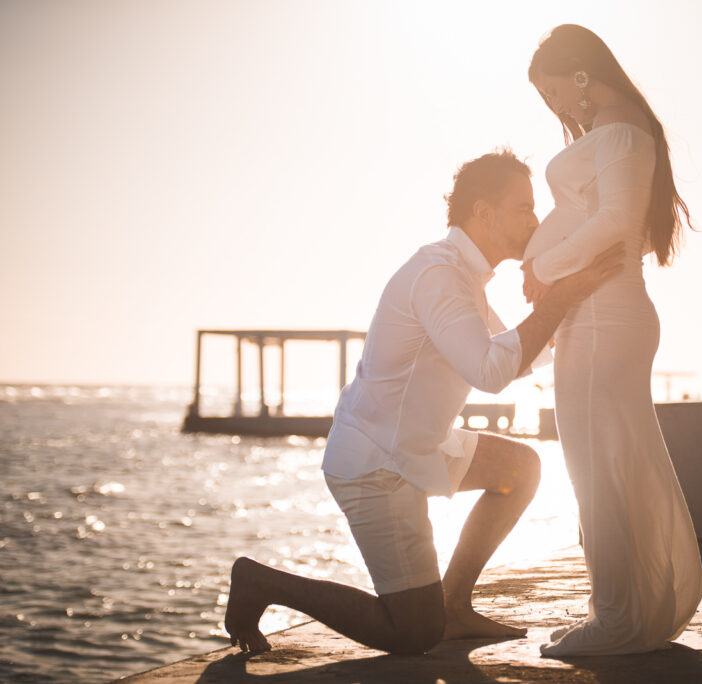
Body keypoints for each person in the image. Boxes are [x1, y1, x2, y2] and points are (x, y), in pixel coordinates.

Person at [224, 149, 624, 655]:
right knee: (413, 633)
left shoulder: (464, 276)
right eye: (523, 207)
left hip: (416, 445)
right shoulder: (440, 276)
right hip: (373, 463)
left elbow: (515, 355)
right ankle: (261, 583)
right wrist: (564, 297)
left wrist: (580, 305)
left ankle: (453, 606)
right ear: (484, 213)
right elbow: (490, 372)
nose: (536, 219)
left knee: (521, 469)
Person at [520, 24, 702, 656]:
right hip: (597, 315)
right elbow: (608, 219)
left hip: (605, 320)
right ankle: (631, 608)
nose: (554, 108)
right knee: (609, 463)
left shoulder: (622, 130)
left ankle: (619, 619)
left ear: (578, 74)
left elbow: (619, 221)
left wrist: (543, 268)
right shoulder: (616, 132)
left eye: (552, 92)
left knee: (596, 466)